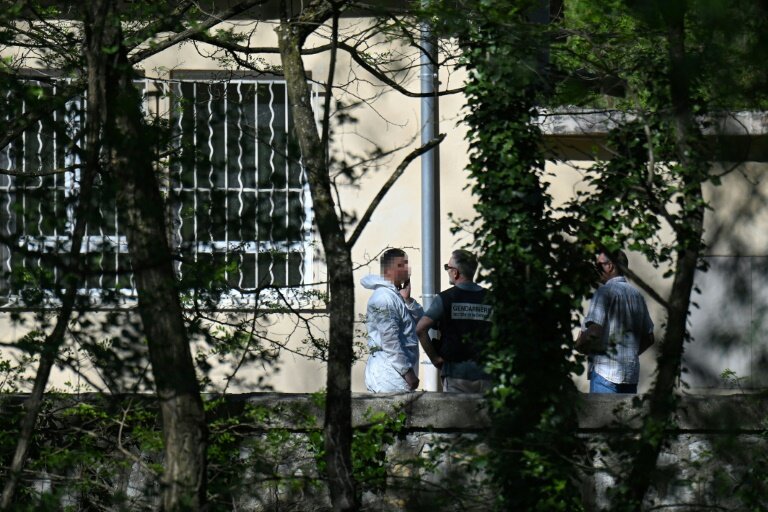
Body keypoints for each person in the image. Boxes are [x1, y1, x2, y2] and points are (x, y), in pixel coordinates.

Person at [576, 249, 655, 394]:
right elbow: (649, 338)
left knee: (602, 417)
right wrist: (630, 353)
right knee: (626, 417)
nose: (595, 269)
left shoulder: (603, 292)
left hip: (604, 374)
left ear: (610, 266)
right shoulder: (637, 296)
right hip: (630, 375)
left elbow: (594, 331)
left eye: (598, 265)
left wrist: (579, 345)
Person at [416, 249, 492, 393]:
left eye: (448, 267)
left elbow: (420, 329)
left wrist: (435, 358)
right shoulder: (490, 299)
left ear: (455, 272)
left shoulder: (446, 299)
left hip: (456, 375)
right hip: (486, 374)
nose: (447, 271)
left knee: (457, 415)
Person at [362, 248, 424, 392]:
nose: (407, 269)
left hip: (394, 376)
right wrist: (407, 373)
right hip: (389, 378)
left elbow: (421, 322)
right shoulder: (384, 298)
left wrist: (407, 301)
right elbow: (390, 340)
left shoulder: (393, 297)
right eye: (402, 265)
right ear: (389, 270)